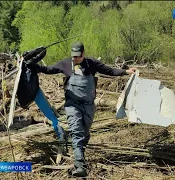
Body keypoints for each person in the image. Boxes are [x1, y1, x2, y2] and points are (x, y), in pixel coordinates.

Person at [28, 41, 137, 177]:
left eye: (79, 56)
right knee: (76, 131)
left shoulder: (92, 64)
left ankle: (81, 153)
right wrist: (32, 66)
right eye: (74, 56)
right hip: (72, 105)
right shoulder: (65, 64)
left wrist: (126, 71)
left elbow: (109, 70)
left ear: (83, 54)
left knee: (84, 133)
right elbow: (48, 70)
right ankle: (80, 165)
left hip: (88, 106)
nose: (76, 59)